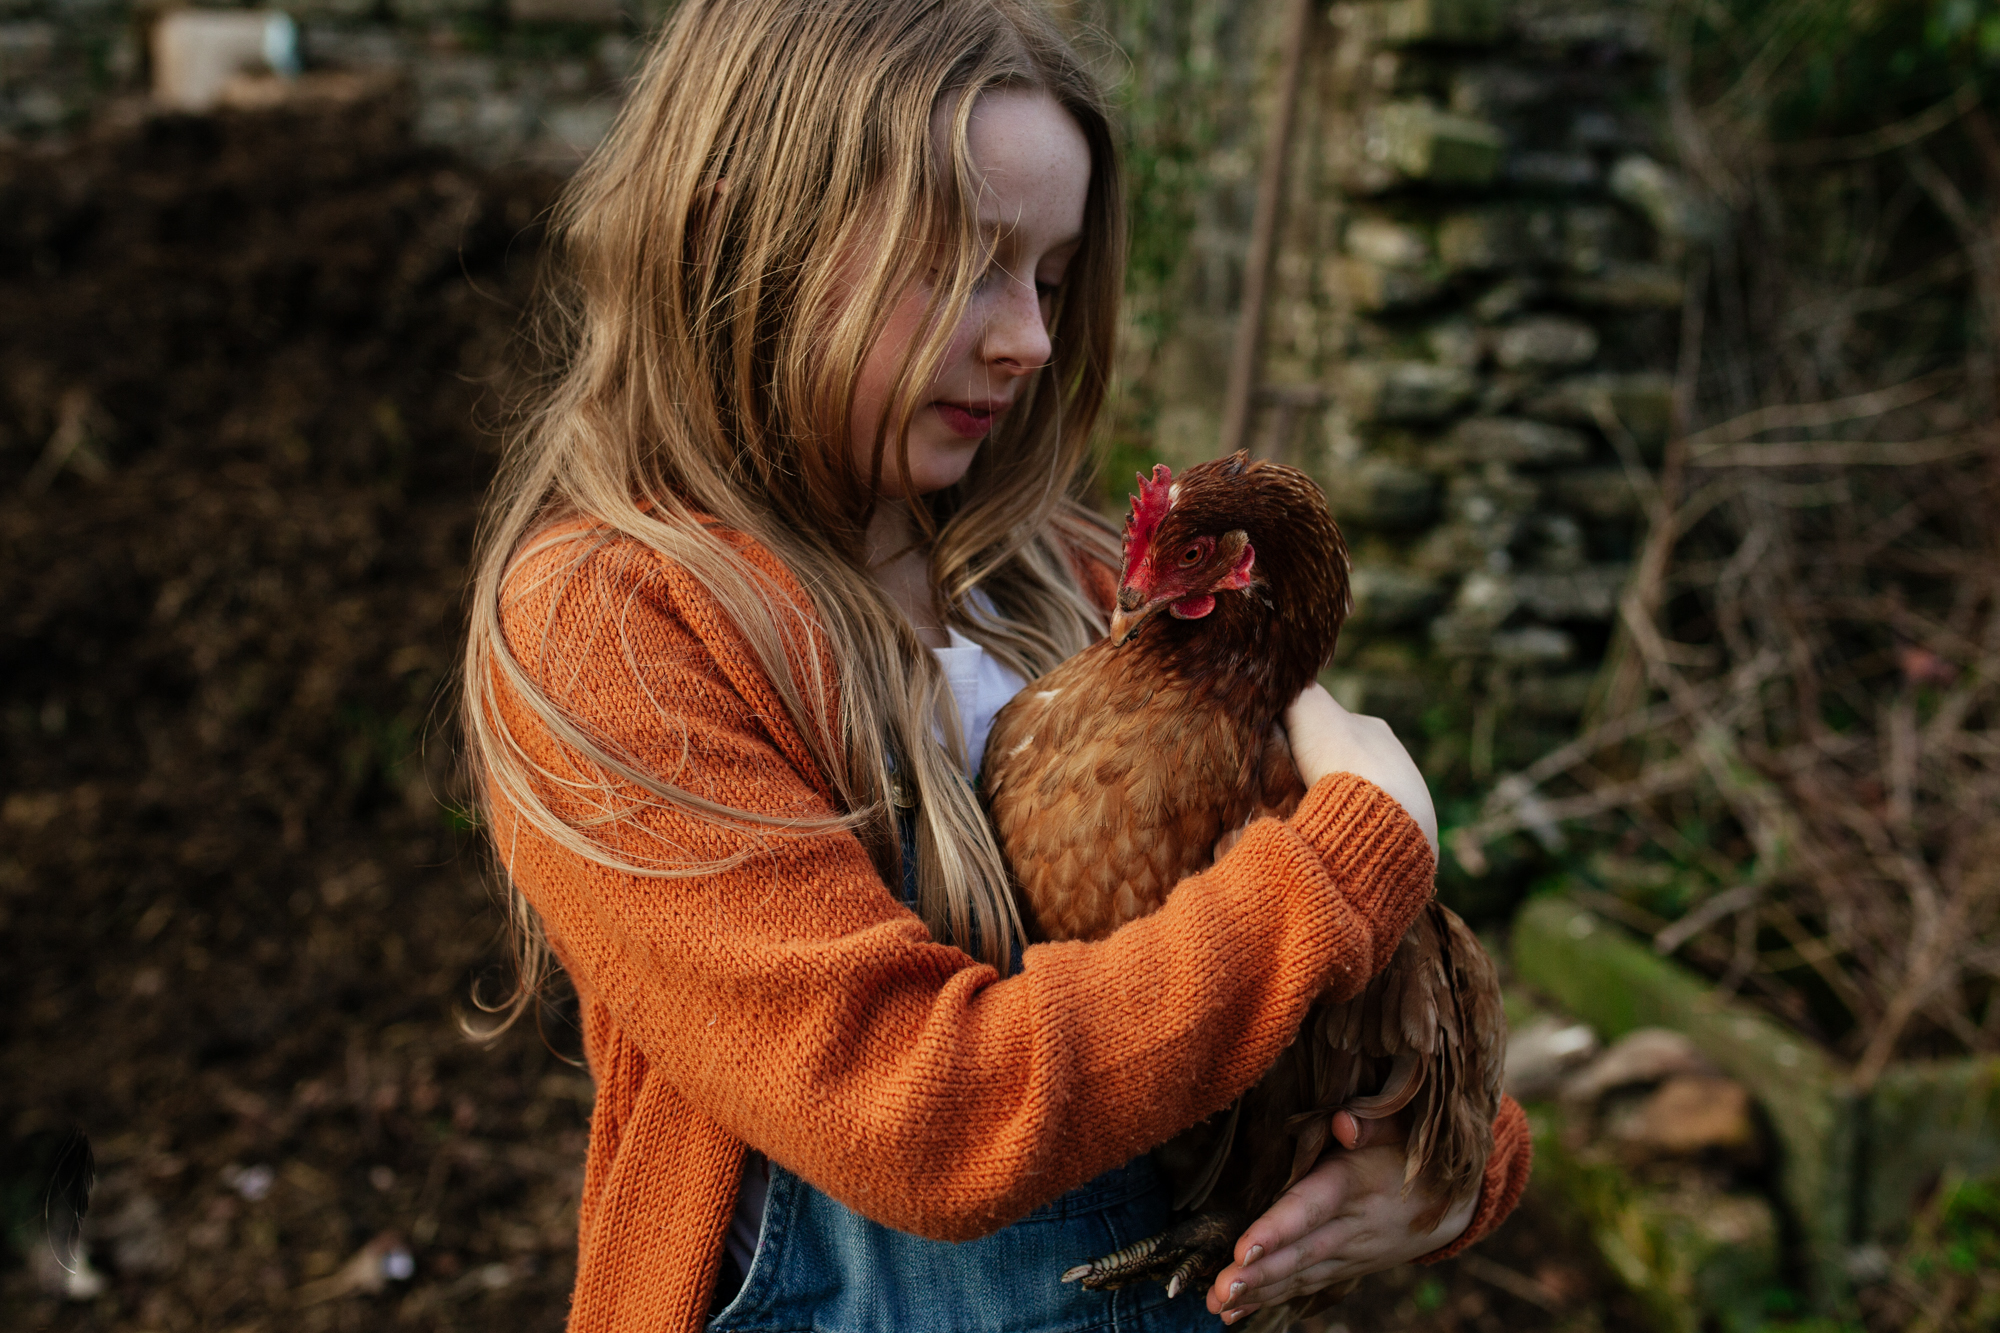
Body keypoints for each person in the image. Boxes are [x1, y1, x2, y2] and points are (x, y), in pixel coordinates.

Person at [462, 1, 1531, 1329]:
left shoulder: (1084, 592)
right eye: (965, 264)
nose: (1028, 337)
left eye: (1053, 279)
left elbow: (1366, 1011)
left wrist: (1443, 1167)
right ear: (742, 241)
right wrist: (1336, 869)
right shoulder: (619, 626)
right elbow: (916, 1112)